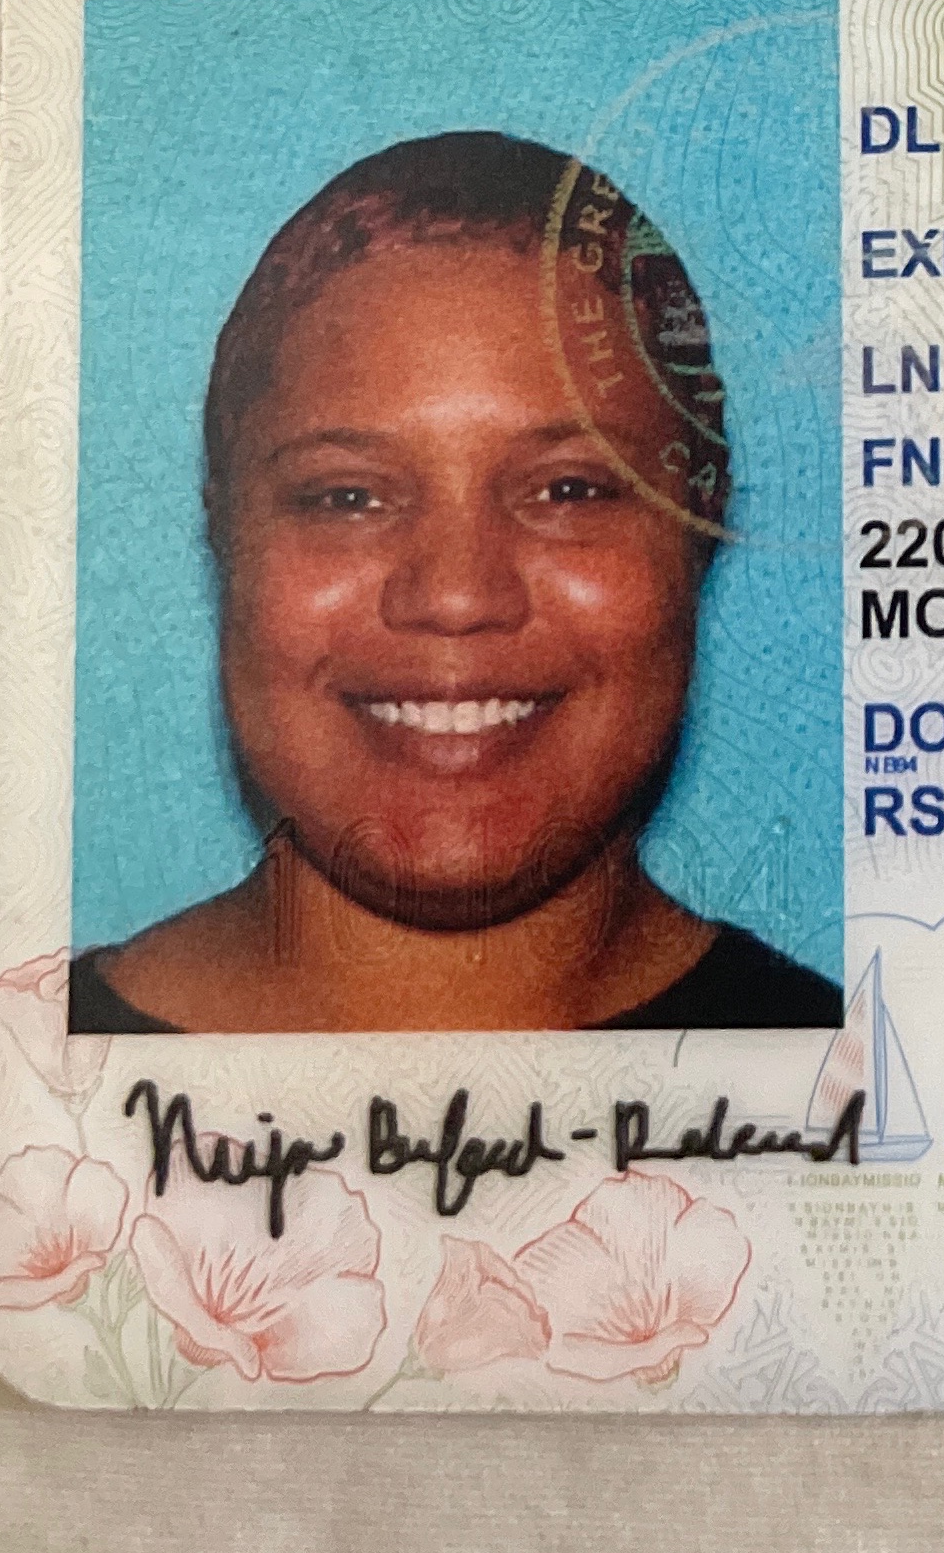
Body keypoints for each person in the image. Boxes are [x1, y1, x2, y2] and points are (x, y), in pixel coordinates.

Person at [69, 129, 840, 1033]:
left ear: (698, 529)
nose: (457, 596)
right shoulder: (14, 1081)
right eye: (347, 497)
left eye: (569, 490)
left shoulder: (872, 1086)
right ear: (224, 536)